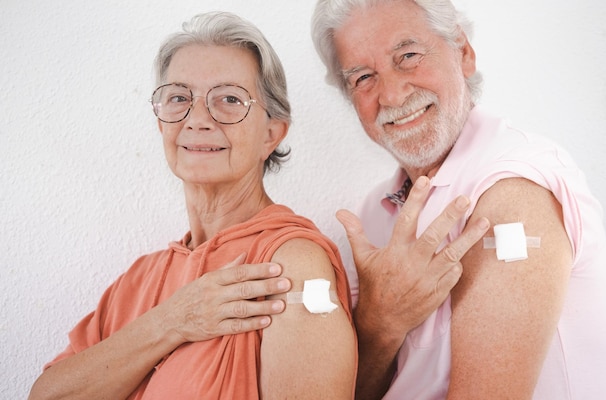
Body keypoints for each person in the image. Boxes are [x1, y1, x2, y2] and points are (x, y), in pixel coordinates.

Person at [29, 11, 359, 399]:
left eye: (230, 99)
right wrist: (170, 321)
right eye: (179, 98)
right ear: (161, 124)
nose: (198, 119)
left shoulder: (288, 265)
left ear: (271, 133)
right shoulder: (137, 280)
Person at [311, 0, 606, 399]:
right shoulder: (374, 214)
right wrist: (380, 322)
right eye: (364, 77)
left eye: (408, 56)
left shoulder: (514, 187)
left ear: (463, 52)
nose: (390, 94)